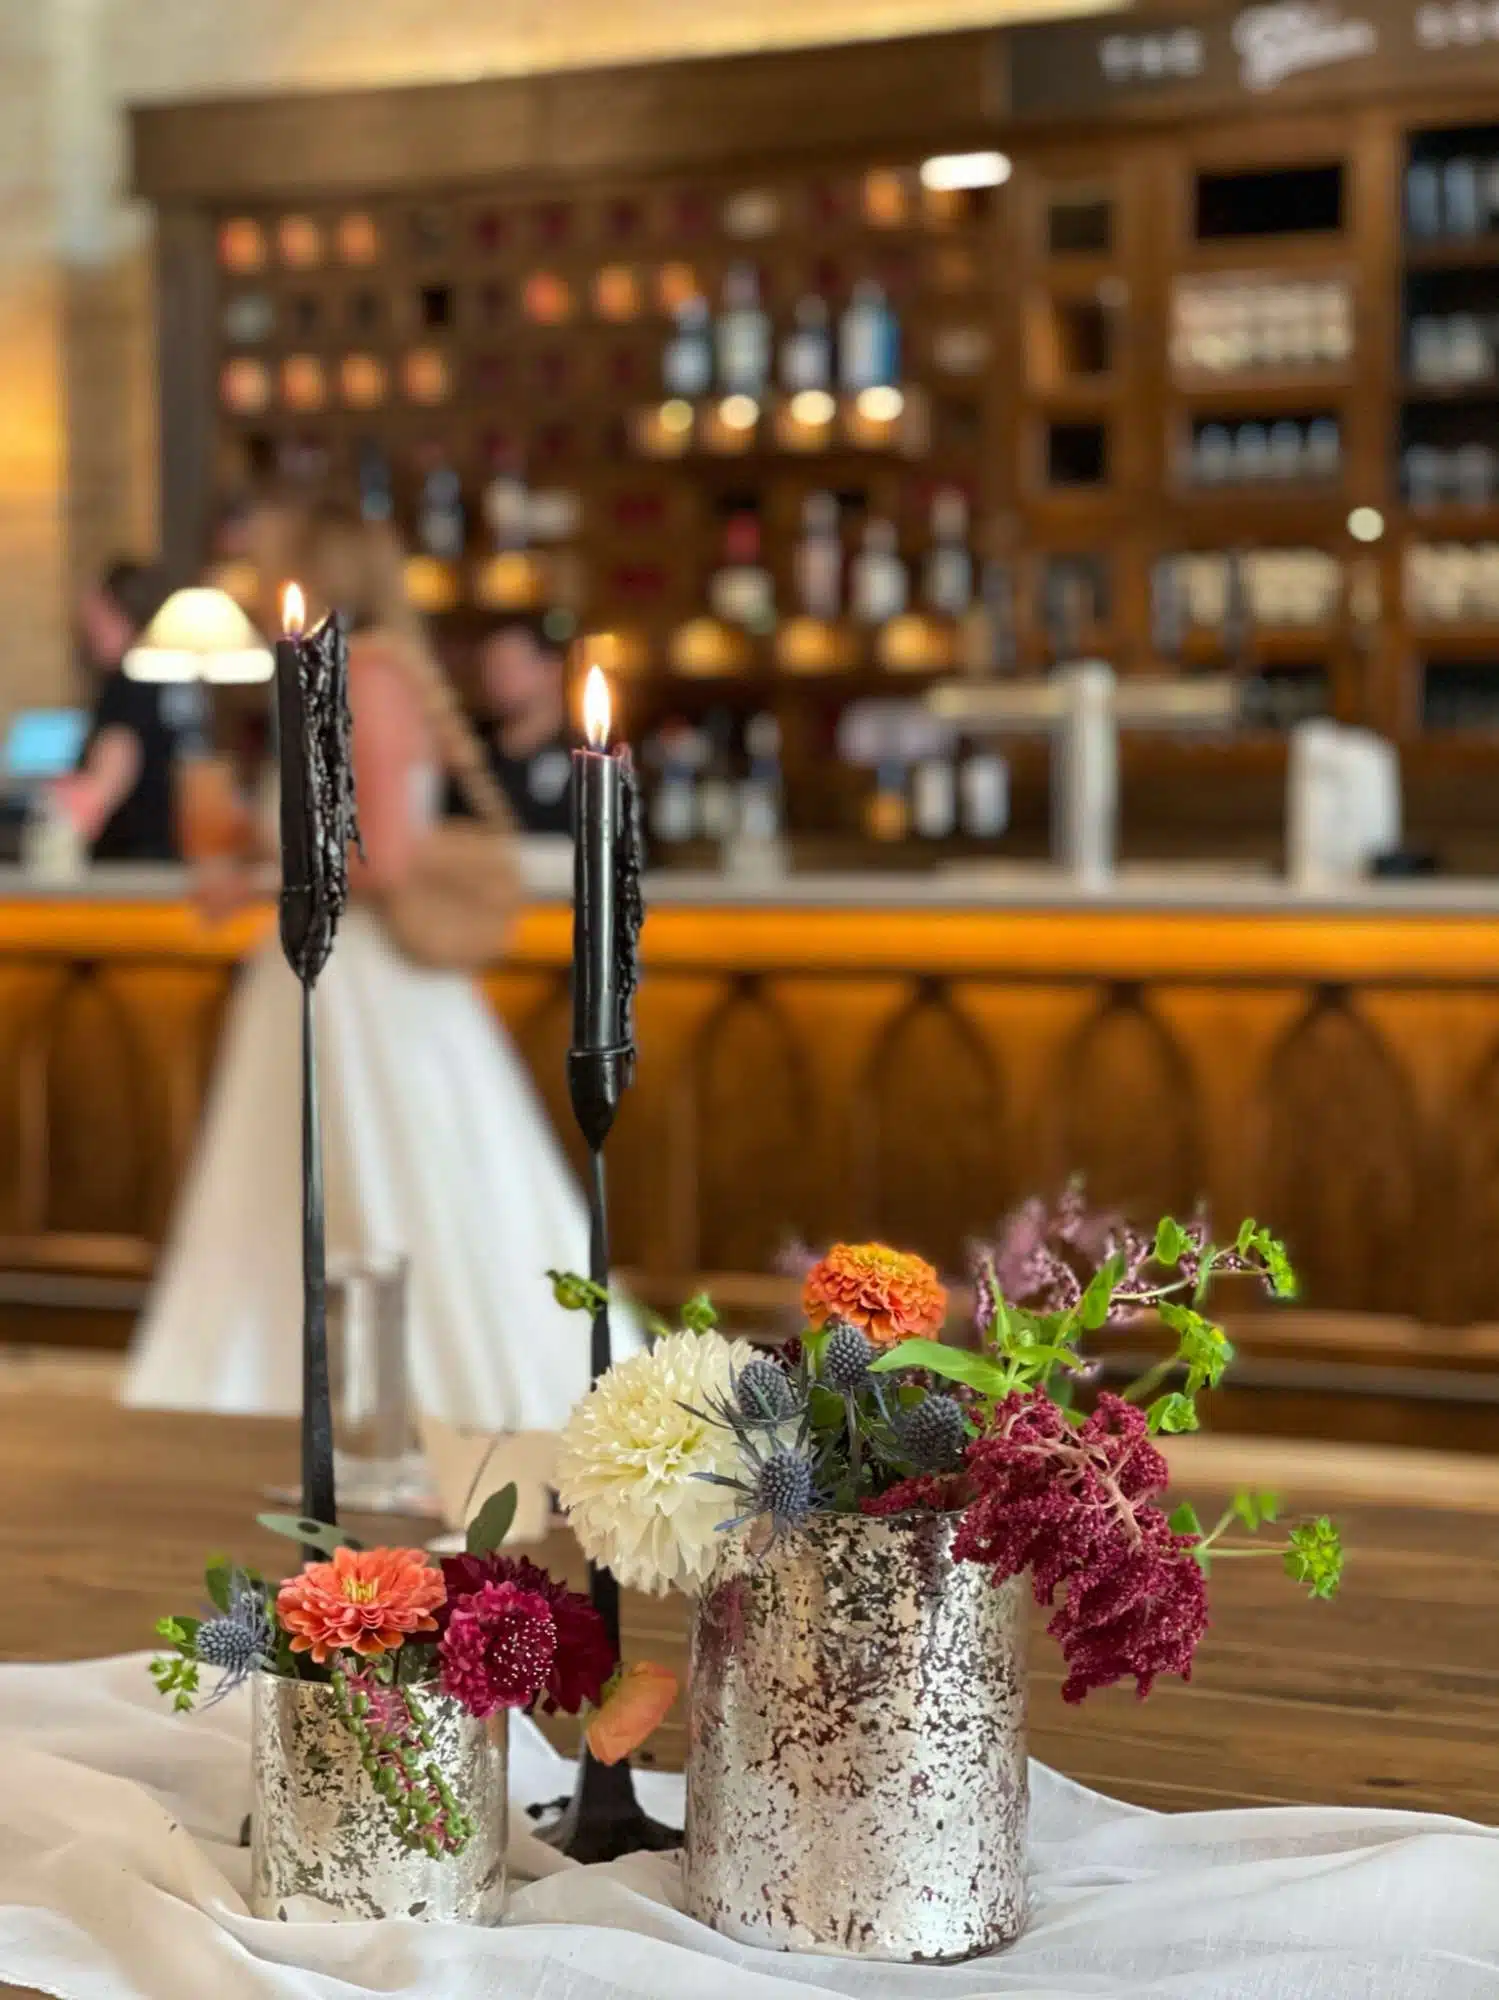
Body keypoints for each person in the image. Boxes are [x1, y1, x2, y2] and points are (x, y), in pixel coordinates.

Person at [123, 504, 638, 1432]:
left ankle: (410, 1410)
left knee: (395, 1188)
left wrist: (252, 883)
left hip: (363, 980)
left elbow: (383, 859)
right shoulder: (340, 672)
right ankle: (292, 1402)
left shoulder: (372, 677)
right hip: (320, 972)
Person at [56, 560, 208, 862]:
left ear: (116, 613)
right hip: (178, 853)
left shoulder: (128, 679)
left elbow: (120, 748)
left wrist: (88, 798)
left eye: (94, 615)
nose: (87, 629)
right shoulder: (174, 674)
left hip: (132, 860)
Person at [448, 612, 575, 835]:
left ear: (552, 670)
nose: (495, 678)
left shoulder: (588, 760)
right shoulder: (467, 756)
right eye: (488, 667)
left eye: (508, 666)